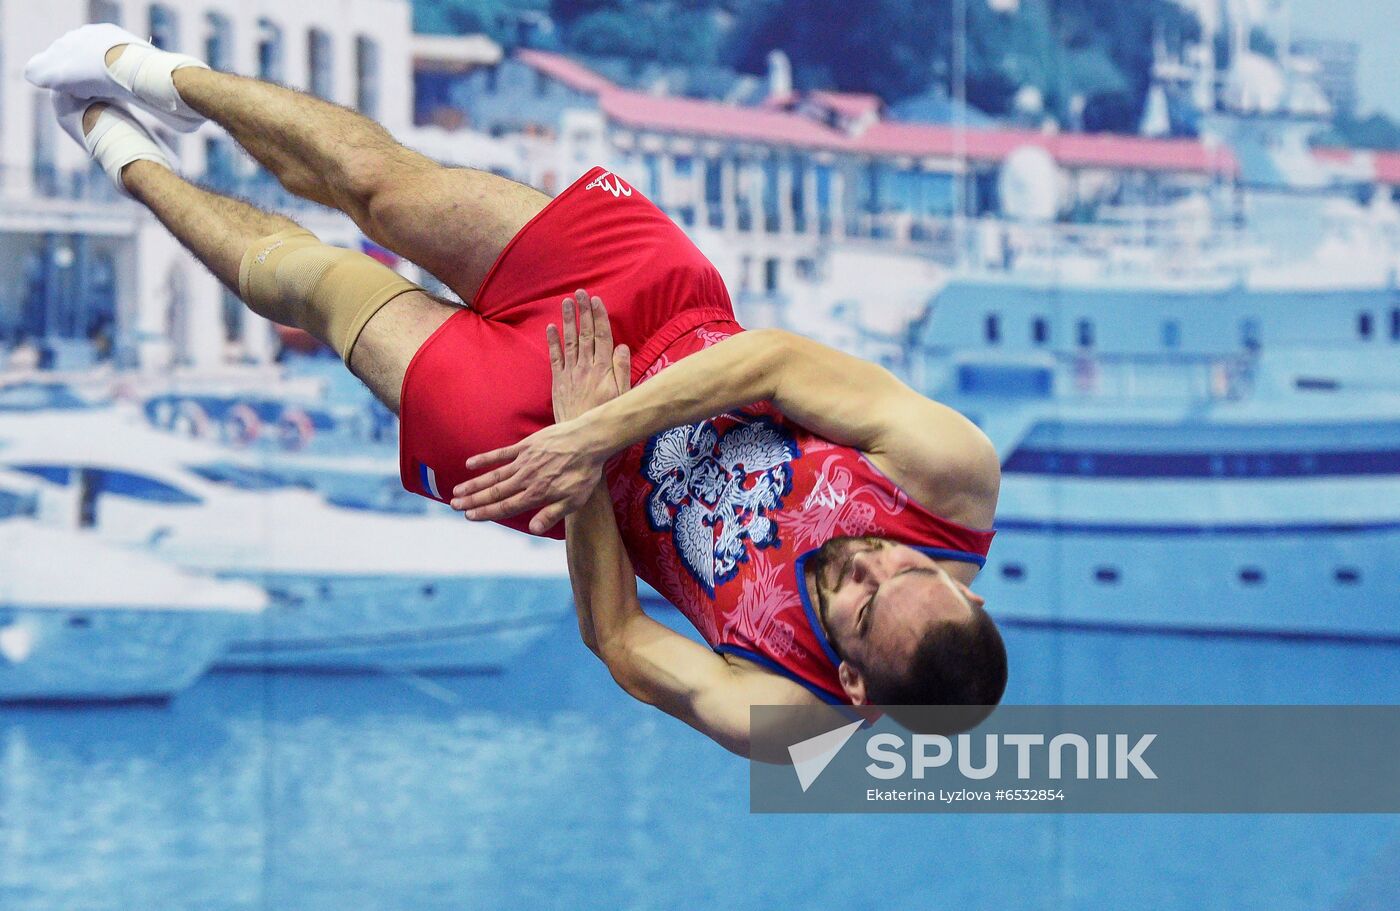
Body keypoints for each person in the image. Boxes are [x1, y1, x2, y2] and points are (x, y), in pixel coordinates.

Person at [27, 25, 1007, 756]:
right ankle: (148, 70)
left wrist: (582, 458)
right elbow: (776, 363)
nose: (869, 564)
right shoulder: (948, 480)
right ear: (956, 584)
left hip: (562, 464)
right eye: (901, 567)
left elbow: (620, 643)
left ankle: (128, 157)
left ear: (849, 679)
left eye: (859, 598)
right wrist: (599, 426)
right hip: (657, 308)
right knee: (380, 185)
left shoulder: (783, 714)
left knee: (319, 285)